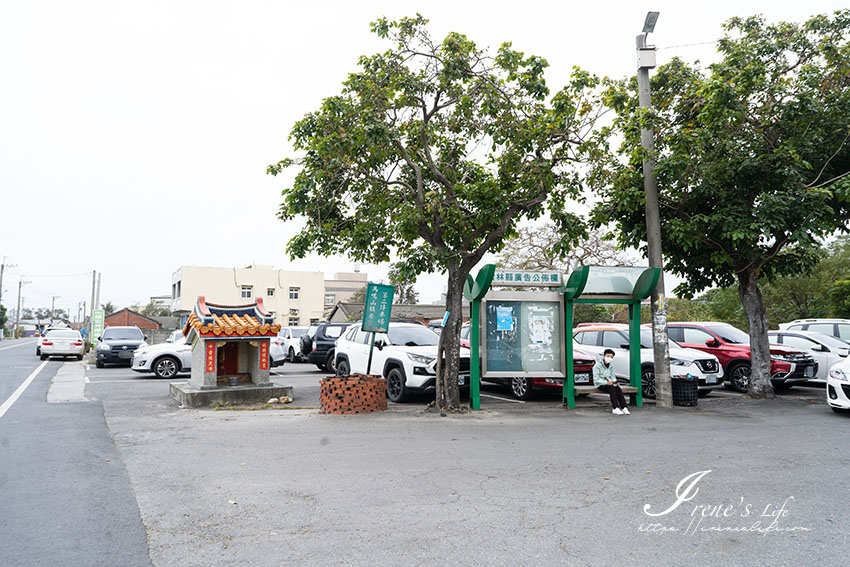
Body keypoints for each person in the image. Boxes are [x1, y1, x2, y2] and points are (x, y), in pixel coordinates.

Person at [593, 348, 630, 415]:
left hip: (610, 383)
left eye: (611, 357)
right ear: (604, 356)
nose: (609, 358)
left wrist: (614, 381)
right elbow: (596, 379)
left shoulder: (611, 364)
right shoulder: (597, 366)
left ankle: (624, 407)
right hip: (600, 384)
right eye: (608, 356)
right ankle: (615, 408)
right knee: (612, 388)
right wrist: (606, 382)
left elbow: (613, 375)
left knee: (617, 388)